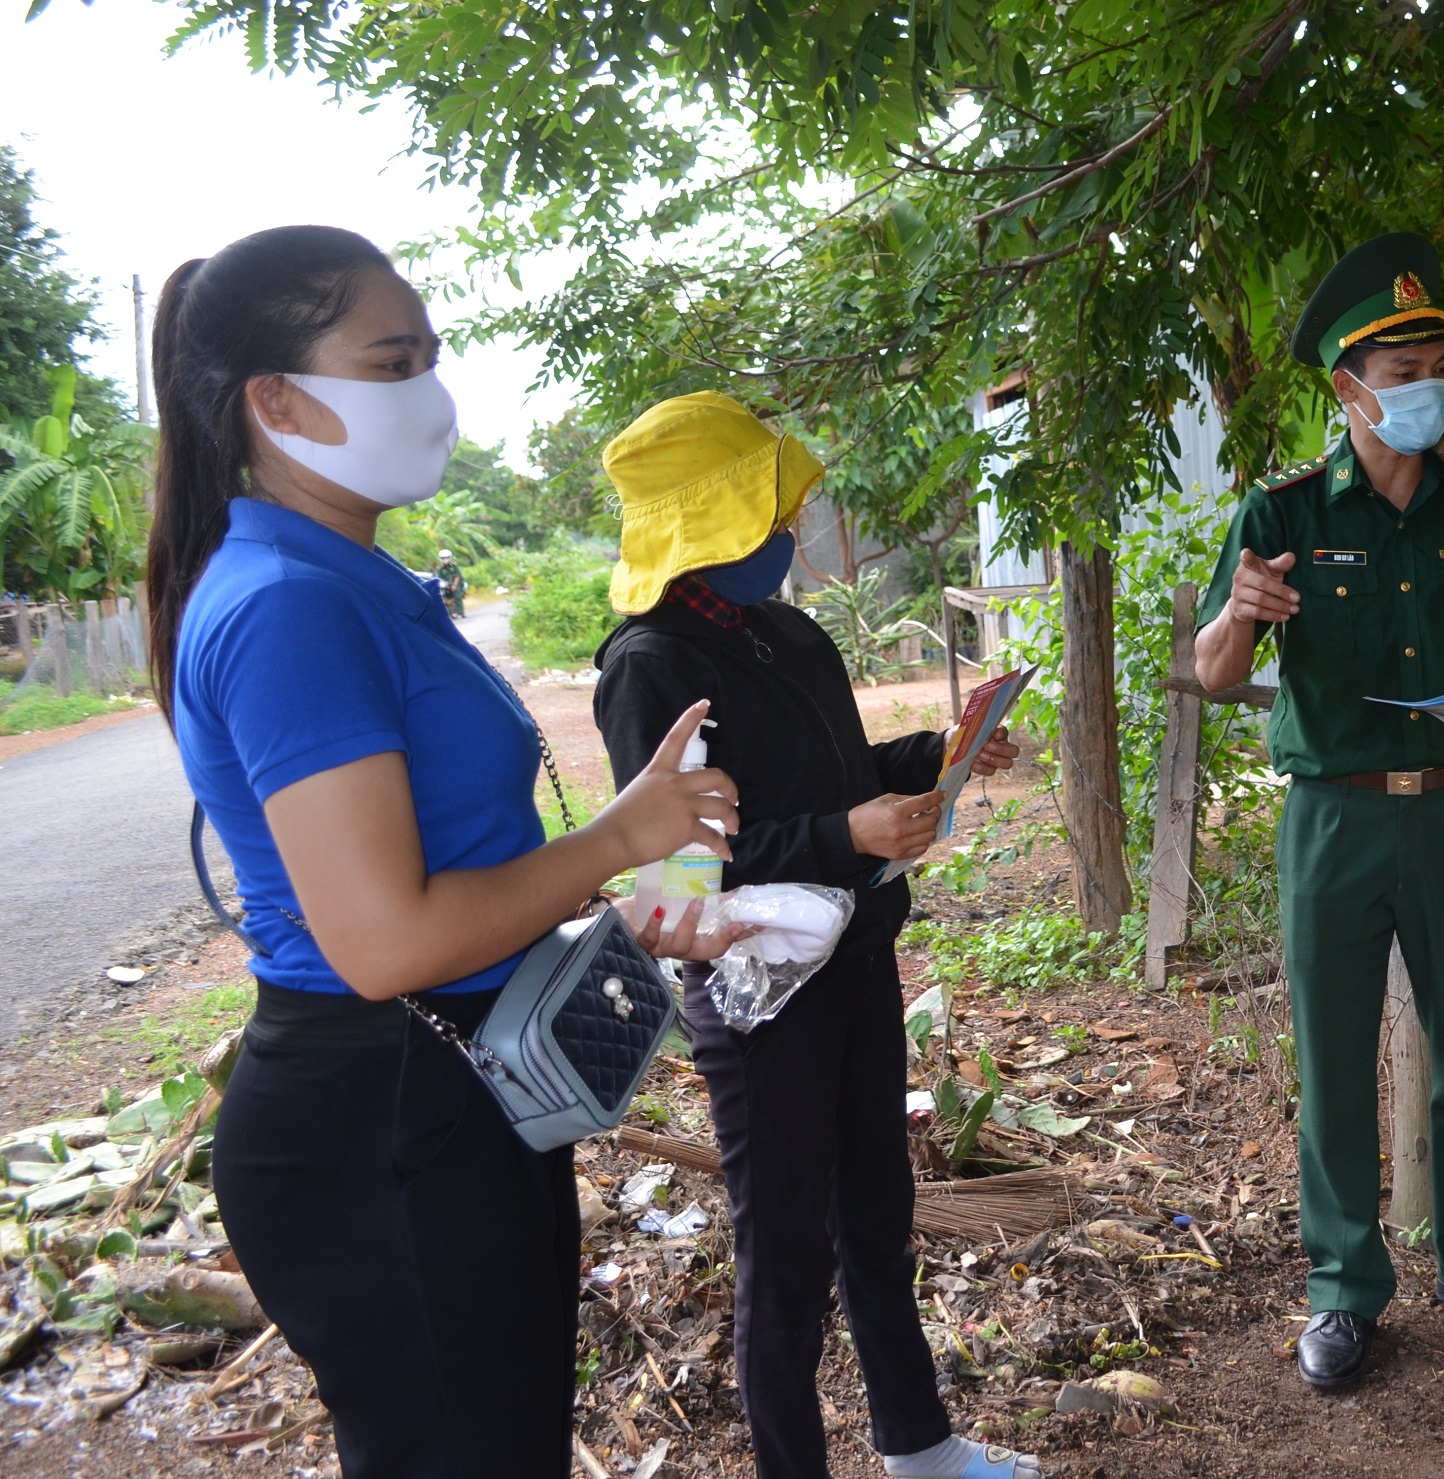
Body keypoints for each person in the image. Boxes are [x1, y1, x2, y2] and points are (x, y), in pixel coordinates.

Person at [153, 227, 741, 1479]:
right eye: (391, 361)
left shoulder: (354, 574)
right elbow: (387, 940)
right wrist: (615, 837)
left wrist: (628, 845)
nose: (430, 391)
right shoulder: (289, 604)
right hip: (384, 1117)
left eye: (431, 355)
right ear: (275, 401)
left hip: (453, 1086)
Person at [589, 392, 1034, 1479]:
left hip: (855, 960)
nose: (789, 528)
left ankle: (917, 1443)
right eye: (770, 508)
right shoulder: (651, 665)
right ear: (707, 520)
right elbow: (683, 871)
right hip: (757, 997)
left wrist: (937, 749)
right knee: (783, 1253)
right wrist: (846, 834)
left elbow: (834, 773)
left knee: (876, 1212)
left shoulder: (786, 632)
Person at [1194, 232, 1444, 1392]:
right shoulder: (1281, 512)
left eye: (1437, 371)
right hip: (1335, 820)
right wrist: (1241, 613)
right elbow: (1211, 670)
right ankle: (1344, 1289)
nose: (1428, 393)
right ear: (1348, 388)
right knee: (1333, 1055)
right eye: (1404, 374)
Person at [435, 548, 467, 618]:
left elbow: (457, 576)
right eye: (443, 558)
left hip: (457, 584)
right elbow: (440, 579)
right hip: (446, 585)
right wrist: (447, 586)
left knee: (457, 595)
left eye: (446, 558)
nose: (445, 559)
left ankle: (460, 612)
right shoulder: (440, 569)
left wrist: (454, 586)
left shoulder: (454, 566)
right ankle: (448, 614)